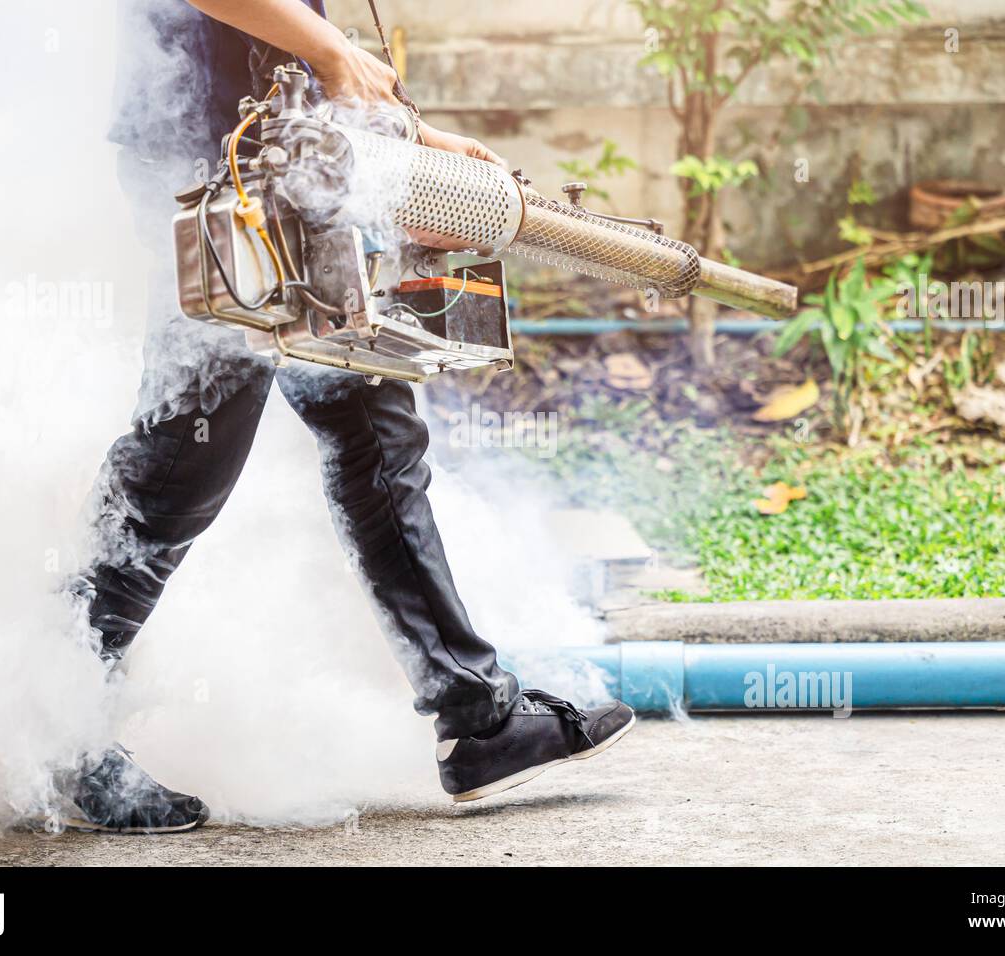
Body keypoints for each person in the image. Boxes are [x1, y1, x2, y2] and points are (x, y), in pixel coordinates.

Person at [65, 0, 634, 833]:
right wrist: (332, 50)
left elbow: (294, 41)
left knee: (376, 433)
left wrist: (410, 135)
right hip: (207, 159)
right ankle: (57, 733)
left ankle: (478, 718)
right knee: (187, 456)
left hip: (288, 162)